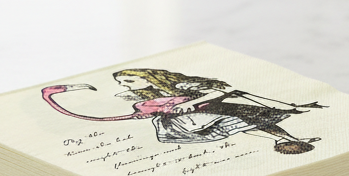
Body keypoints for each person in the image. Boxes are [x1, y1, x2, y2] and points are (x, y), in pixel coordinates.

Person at [111, 68, 324, 152]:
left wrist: (187, 104)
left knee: (248, 122)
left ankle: (287, 137)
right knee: (244, 125)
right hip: (191, 119)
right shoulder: (145, 95)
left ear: (147, 77)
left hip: (216, 107)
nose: (125, 85)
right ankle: (286, 138)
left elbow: (228, 91)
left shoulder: (182, 85)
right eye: (122, 82)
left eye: (129, 80)